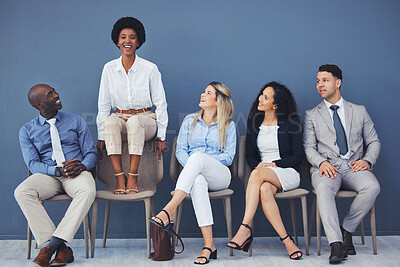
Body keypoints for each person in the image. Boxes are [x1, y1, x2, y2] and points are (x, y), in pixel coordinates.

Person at [150, 82, 236, 265]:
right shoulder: (189, 121)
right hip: (195, 174)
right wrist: (196, 166)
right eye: (204, 91)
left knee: (197, 157)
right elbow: (180, 150)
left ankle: (169, 210)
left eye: (208, 92)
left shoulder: (229, 125)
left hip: (220, 176)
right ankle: (209, 245)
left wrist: (202, 161)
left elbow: (228, 157)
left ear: (218, 101)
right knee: (197, 181)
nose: (203, 94)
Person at [303, 64, 380, 264]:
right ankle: (336, 244)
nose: (320, 85)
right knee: (323, 188)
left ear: (338, 83)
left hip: (354, 166)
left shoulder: (360, 111)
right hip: (328, 167)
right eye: (318, 81)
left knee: (372, 186)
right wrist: (320, 163)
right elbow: (309, 147)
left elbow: (374, 141)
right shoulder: (312, 114)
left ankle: (347, 229)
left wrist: (367, 160)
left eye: (325, 80)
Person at [14, 84, 98, 267]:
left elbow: (92, 153)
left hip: (76, 172)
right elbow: (32, 164)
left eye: (54, 91)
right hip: (49, 175)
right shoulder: (27, 130)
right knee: (22, 191)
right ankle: (62, 249)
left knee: (88, 190)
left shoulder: (76, 121)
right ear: (38, 104)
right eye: (50, 95)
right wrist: (56, 171)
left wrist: (82, 165)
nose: (56, 95)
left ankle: (50, 247)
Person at [226, 82, 304, 260]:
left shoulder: (291, 124)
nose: (260, 99)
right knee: (264, 190)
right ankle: (288, 242)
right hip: (264, 176)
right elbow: (250, 156)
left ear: (275, 105)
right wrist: (261, 166)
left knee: (257, 174)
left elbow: (298, 157)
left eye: (266, 97)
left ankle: (245, 228)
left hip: (287, 172)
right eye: (261, 94)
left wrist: (274, 164)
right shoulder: (255, 122)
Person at [96, 16, 168, 194]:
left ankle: (133, 176)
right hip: (120, 117)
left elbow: (161, 103)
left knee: (136, 121)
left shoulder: (150, 68)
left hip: (146, 119)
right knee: (110, 122)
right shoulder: (109, 68)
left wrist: (162, 136)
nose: (127, 41)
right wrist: (101, 136)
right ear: (117, 41)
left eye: (132, 37)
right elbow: (103, 104)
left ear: (138, 41)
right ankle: (120, 177)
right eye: (123, 37)